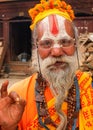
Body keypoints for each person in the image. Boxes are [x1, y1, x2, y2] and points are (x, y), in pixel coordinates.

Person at [0, 0, 93, 130]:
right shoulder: (17, 96)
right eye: (46, 43)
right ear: (36, 48)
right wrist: (9, 128)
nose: (56, 52)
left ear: (76, 45)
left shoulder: (89, 88)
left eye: (65, 42)